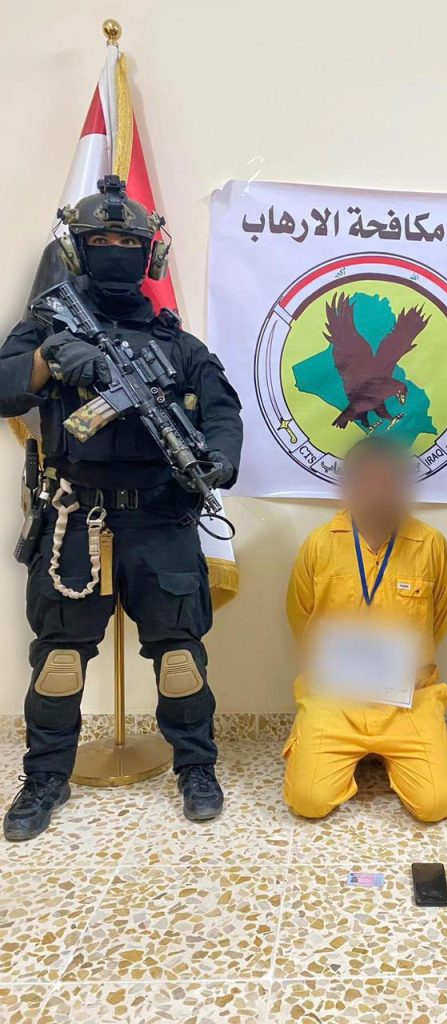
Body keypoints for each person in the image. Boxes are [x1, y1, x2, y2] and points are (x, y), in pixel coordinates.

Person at [0, 177, 243, 840]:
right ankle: (46, 777)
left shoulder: (177, 345)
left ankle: (196, 767)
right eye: (101, 240)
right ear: (76, 251)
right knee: (60, 660)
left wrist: (219, 460)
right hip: (74, 516)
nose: (115, 250)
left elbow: (222, 412)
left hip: (160, 518)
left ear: (150, 255)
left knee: (179, 657)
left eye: (127, 242)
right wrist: (49, 359)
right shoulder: (48, 327)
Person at [283, 435, 447, 822]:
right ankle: (345, 749)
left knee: (436, 804)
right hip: (335, 695)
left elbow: (442, 617)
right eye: (367, 482)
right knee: (308, 800)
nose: (379, 494)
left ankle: (389, 751)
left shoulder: (432, 545)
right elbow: (301, 617)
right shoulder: (319, 544)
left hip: (409, 698)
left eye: (390, 482)